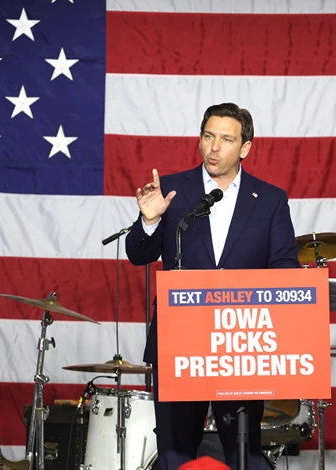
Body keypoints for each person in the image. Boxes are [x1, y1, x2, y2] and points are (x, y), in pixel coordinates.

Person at [125, 103, 300, 470]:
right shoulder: (172, 190)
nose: (214, 147)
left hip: (239, 345)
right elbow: (138, 254)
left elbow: (285, 268)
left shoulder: (269, 200)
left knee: (244, 453)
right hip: (179, 344)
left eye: (226, 139)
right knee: (174, 455)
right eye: (208, 136)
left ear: (245, 147)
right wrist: (149, 219)